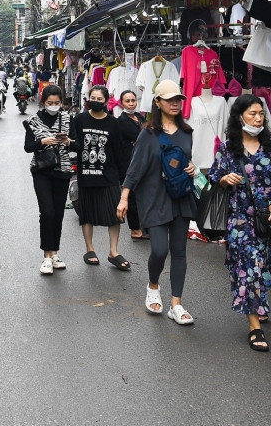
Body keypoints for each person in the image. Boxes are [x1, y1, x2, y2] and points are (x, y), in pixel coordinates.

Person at [207, 94, 271, 351]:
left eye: (261, 114)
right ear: (239, 116)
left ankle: (259, 303)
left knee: (266, 264)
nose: (257, 118)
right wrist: (225, 180)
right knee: (249, 267)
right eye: (252, 113)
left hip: (269, 217)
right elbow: (214, 176)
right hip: (240, 219)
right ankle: (255, 327)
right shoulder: (228, 147)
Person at [117, 79, 197, 324]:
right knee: (160, 249)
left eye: (178, 99)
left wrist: (193, 169)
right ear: (157, 102)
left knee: (179, 251)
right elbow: (135, 167)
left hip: (180, 197)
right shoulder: (148, 134)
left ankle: (176, 303)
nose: (175, 103)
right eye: (169, 99)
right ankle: (153, 286)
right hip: (153, 198)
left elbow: (185, 162)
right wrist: (124, 198)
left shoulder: (187, 132)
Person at [71, 85, 129, 269]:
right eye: (92, 98)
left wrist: (123, 178)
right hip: (87, 175)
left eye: (99, 99)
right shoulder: (79, 119)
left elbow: (119, 151)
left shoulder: (113, 123)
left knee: (115, 214)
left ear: (106, 102)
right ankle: (90, 249)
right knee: (86, 214)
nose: (95, 102)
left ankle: (114, 251)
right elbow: (75, 145)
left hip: (109, 175)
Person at [25, 85, 74, 275]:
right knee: (47, 212)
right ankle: (46, 256)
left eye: (57, 103)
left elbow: (76, 143)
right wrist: (42, 142)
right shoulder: (33, 121)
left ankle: (55, 253)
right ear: (43, 102)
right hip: (41, 170)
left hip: (62, 169)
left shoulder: (68, 119)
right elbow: (28, 147)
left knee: (59, 213)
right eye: (50, 103)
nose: (54, 106)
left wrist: (68, 141)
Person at [115, 90, 145, 241]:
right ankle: (135, 229)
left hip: (139, 161)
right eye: (128, 101)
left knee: (140, 194)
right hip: (128, 163)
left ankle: (141, 226)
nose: (131, 103)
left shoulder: (139, 117)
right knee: (131, 196)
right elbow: (141, 137)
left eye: (133, 100)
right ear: (121, 103)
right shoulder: (122, 121)